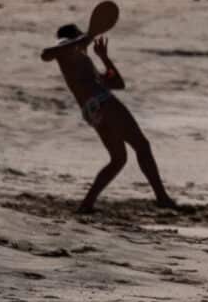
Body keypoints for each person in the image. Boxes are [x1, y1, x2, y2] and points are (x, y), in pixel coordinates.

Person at [41, 22, 174, 213]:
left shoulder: (83, 61)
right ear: (74, 36)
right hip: (104, 104)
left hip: (92, 110)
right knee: (142, 146)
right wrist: (82, 39)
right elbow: (46, 54)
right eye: (80, 35)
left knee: (118, 159)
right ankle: (162, 197)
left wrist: (104, 58)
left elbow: (118, 83)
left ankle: (87, 204)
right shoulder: (65, 48)